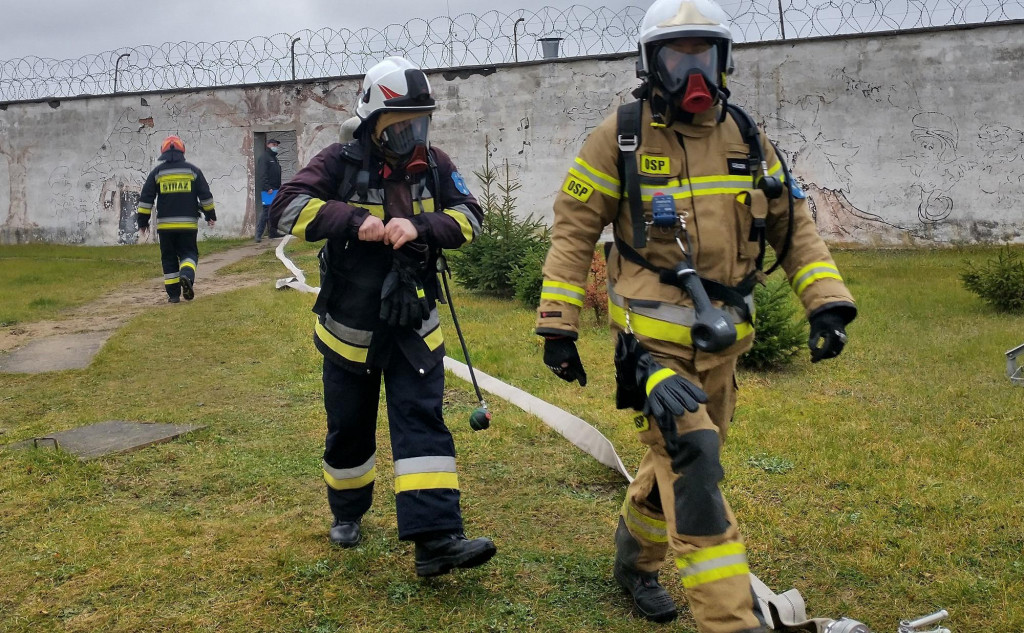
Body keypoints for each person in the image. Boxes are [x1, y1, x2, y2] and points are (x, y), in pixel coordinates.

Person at [535, 0, 857, 631]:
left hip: (724, 348)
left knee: (675, 467)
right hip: (653, 351)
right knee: (699, 468)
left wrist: (827, 303)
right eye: (678, 59)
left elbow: (795, 228)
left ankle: (634, 561)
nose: (693, 75)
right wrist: (557, 323)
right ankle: (730, 620)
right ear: (652, 64)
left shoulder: (744, 135)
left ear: (723, 60)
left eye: (703, 57)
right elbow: (573, 232)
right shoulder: (620, 137)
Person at [270, 57, 495, 577]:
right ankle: (347, 511)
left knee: (422, 423)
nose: (413, 136)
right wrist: (353, 221)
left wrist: (422, 226)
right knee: (349, 428)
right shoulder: (338, 163)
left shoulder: (435, 164)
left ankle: (436, 541)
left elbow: (472, 218)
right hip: (351, 327)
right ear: (373, 123)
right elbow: (283, 208)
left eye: (420, 123)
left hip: (414, 320)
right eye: (401, 126)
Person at [137, 135, 216, 303]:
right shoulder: (193, 171)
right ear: (183, 150)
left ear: (163, 152)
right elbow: (206, 197)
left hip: (165, 227)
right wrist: (210, 215)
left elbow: (146, 199)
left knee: (169, 258)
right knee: (189, 253)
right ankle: (186, 275)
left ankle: (173, 295)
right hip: (188, 225)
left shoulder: (157, 173)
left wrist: (142, 222)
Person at [255, 138, 283, 242]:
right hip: (268, 190)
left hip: (276, 189)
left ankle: (273, 232)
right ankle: (258, 234)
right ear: (268, 145)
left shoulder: (274, 158)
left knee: (275, 211)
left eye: (276, 144)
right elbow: (262, 174)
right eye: (273, 144)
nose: (275, 146)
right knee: (266, 212)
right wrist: (267, 187)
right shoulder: (264, 157)